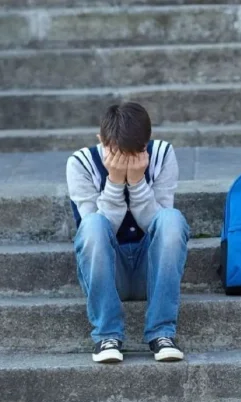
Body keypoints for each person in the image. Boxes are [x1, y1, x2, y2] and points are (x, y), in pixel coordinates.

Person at [66, 102, 189, 363]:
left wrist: (136, 181)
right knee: (92, 225)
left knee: (171, 219)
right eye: (116, 152)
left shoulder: (163, 153)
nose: (125, 160)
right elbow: (95, 233)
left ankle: (161, 333)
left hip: (151, 270)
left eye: (136, 152)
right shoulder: (80, 163)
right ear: (102, 140)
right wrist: (113, 181)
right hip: (108, 273)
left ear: (147, 143)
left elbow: (158, 226)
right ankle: (107, 335)